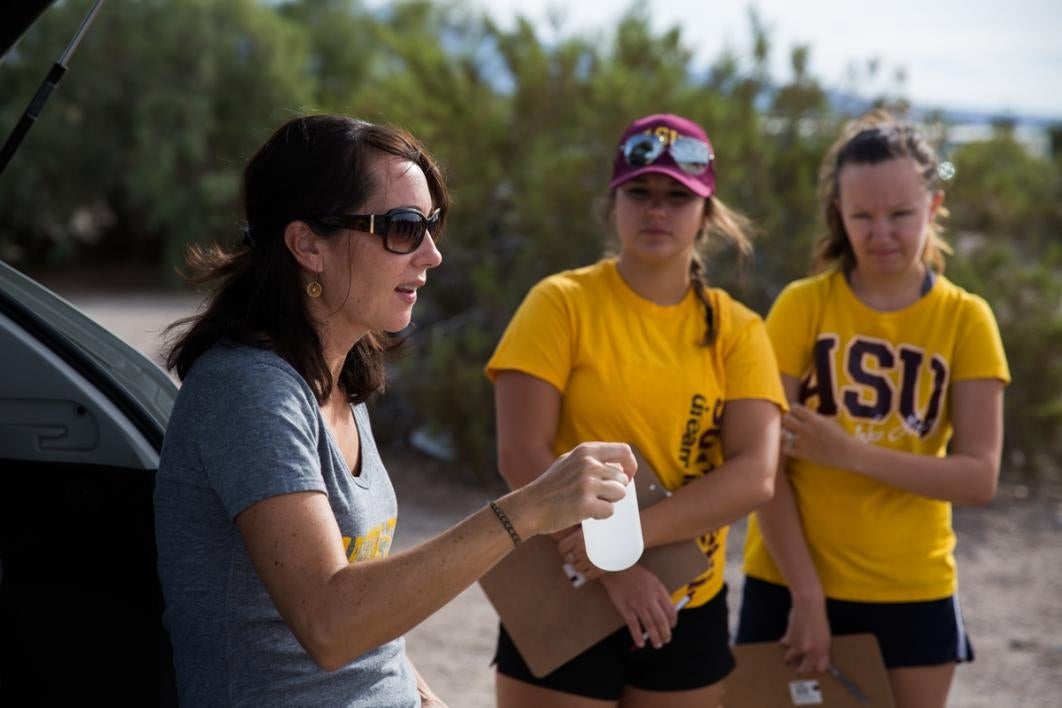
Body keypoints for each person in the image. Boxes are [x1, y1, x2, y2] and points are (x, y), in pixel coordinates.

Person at [153, 114, 639, 708]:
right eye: (403, 228)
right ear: (308, 244)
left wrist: (420, 693)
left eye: (432, 225)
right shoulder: (248, 391)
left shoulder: (336, 381)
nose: (431, 254)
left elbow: (368, 617)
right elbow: (330, 623)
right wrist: (529, 509)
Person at [485, 113, 786, 708]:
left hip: (684, 601)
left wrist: (622, 550)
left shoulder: (738, 329)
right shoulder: (561, 303)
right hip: (559, 586)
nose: (658, 210)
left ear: (706, 211)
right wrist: (612, 569)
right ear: (613, 201)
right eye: (641, 192)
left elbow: (755, 475)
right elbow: (521, 453)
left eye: (678, 196)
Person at [736, 112, 1011, 708]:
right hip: (786, 583)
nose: (881, 232)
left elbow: (977, 477)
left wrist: (851, 453)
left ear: (933, 205)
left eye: (900, 214)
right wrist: (807, 598)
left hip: (911, 591)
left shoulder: (967, 320)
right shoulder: (802, 307)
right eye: (862, 215)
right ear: (838, 212)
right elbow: (763, 467)